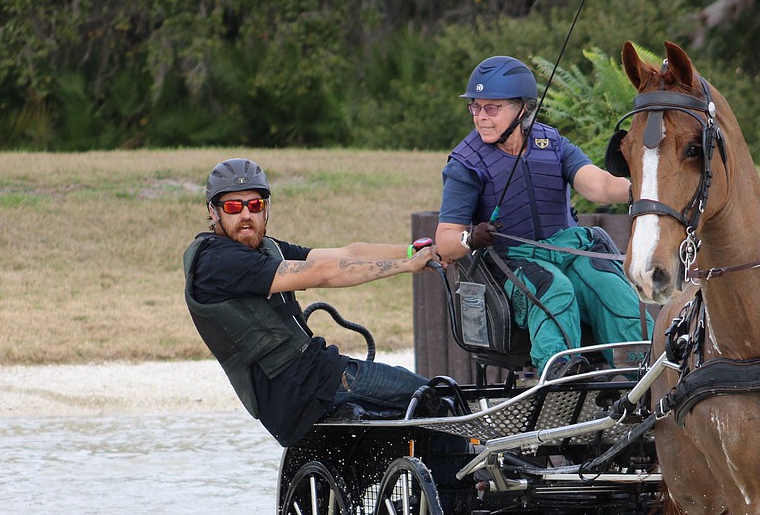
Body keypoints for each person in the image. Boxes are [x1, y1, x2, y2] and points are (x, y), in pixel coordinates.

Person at [184, 158, 437, 446]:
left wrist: (410, 250)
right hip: (304, 387)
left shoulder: (265, 249)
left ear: (266, 209)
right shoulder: (219, 262)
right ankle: (467, 485)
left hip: (309, 380)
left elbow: (346, 253)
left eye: (254, 206)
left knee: (410, 414)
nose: (245, 215)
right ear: (213, 212)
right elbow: (324, 273)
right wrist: (407, 266)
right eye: (233, 207)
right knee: (434, 396)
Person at [435, 55, 651, 375]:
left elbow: (599, 186)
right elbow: (444, 242)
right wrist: (470, 238)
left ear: (523, 109)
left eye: (491, 108)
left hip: (564, 246)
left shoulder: (552, 144)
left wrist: (642, 191)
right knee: (553, 287)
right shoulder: (465, 164)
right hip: (511, 261)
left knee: (610, 286)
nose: (480, 117)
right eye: (475, 107)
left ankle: (643, 369)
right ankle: (559, 371)